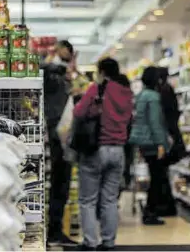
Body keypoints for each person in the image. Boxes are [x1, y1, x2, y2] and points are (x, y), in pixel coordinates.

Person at [73, 58, 133, 251]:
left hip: (96, 149)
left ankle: (90, 242)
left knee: (88, 200)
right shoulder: (127, 92)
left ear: (101, 72)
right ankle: (109, 242)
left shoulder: (98, 89)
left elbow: (79, 112)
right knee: (109, 200)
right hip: (118, 150)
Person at [41, 40, 76, 246]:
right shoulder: (51, 70)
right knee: (59, 180)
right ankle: (54, 232)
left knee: (62, 181)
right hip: (55, 133)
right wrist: (58, 67)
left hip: (63, 132)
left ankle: (55, 230)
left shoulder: (63, 75)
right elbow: (37, 65)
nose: (69, 54)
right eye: (67, 50)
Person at [129, 66, 169, 226]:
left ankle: (149, 210)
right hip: (152, 142)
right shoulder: (152, 97)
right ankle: (150, 212)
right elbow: (155, 122)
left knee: (154, 176)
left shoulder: (140, 95)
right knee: (157, 177)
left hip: (141, 140)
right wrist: (161, 143)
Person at [155, 66, 184, 216]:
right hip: (173, 134)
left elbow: (164, 117)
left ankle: (166, 206)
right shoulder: (168, 90)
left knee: (161, 173)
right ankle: (166, 204)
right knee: (162, 172)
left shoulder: (162, 91)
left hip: (168, 137)